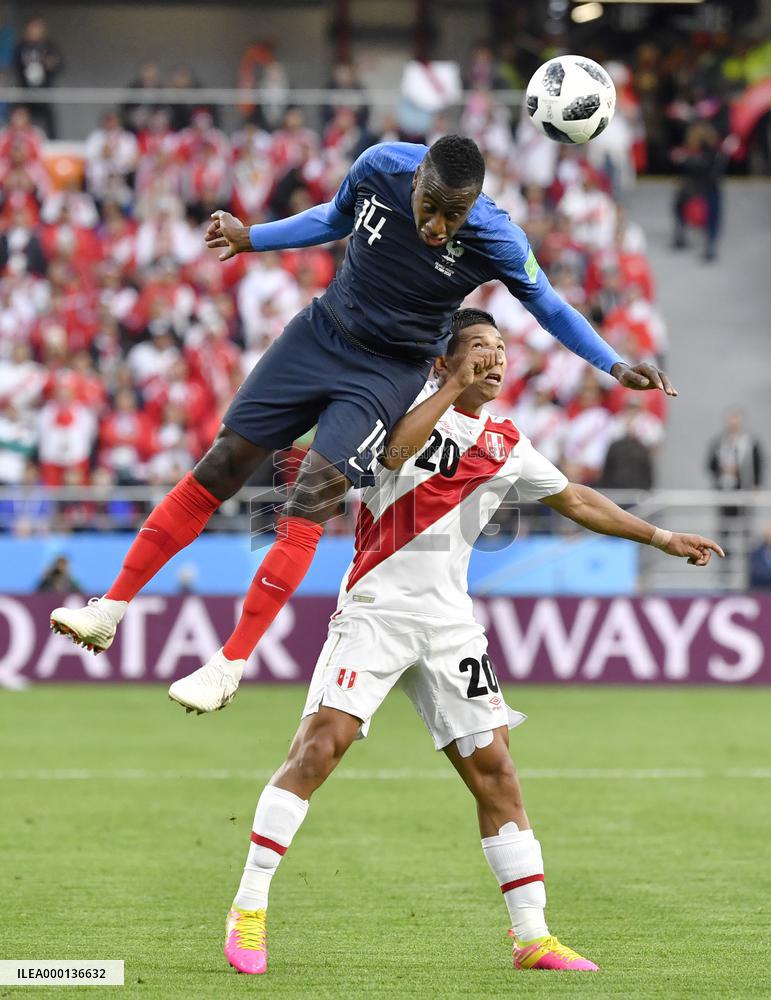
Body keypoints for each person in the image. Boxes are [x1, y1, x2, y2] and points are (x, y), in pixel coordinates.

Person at [50, 136, 675, 682]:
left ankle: (230, 662)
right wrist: (251, 238)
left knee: (311, 495)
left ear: (474, 205)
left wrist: (614, 365)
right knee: (223, 462)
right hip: (322, 331)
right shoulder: (379, 166)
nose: (438, 226)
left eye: (454, 216)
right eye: (431, 207)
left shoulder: (498, 238)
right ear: (417, 178)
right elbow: (333, 218)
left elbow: (552, 308)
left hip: (389, 371)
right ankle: (111, 607)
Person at [214, 309, 722, 975]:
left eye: (501, 348)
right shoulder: (398, 415)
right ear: (442, 361)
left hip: (450, 626)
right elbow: (391, 457)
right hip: (375, 613)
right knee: (318, 749)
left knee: (496, 773)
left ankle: (532, 936)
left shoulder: (507, 442)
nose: (495, 357)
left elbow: (575, 499)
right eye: (478, 346)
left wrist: (660, 536)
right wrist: (452, 386)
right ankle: (248, 909)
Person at [13, 16, 62, 138]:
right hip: (25, 91)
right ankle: (20, 139)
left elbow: (59, 65)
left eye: (38, 28)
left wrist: (52, 65)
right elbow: (15, 66)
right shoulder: (20, 47)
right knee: (21, 114)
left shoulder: (49, 47)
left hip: (44, 90)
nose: (35, 31)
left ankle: (53, 141)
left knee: (48, 118)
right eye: (33, 28)